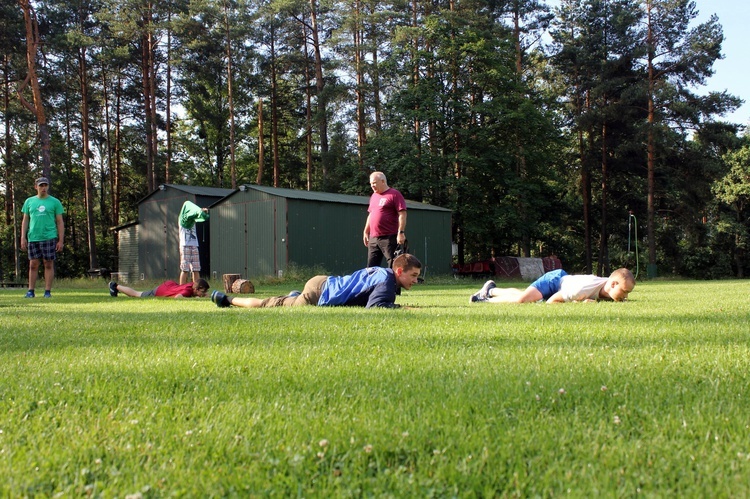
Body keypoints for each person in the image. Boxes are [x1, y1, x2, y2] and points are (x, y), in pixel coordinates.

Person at [210, 253, 422, 309]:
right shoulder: (386, 282)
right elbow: (375, 307)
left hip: (323, 282)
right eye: (412, 276)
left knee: (290, 298)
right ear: (399, 270)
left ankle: (294, 296)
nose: (415, 280)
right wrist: (406, 309)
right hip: (319, 293)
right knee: (269, 304)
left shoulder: (383, 274)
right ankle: (227, 300)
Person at [469, 268, 635, 304]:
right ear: (612, 284)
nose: (625, 297)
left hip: (564, 282)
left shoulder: (610, 288)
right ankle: (483, 299)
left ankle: (491, 289)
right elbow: (552, 301)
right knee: (522, 300)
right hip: (554, 282)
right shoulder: (582, 290)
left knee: (525, 295)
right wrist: (579, 305)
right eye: (624, 292)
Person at [20, 177, 66, 298]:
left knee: (48, 263)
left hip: (49, 236)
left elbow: (60, 222)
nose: (43, 188)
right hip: (33, 237)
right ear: (36, 187)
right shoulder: (29, 201)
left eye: (45, 185)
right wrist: (22, 237)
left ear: (48, 187)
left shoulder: (55, 202)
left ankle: (47, 291)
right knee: (33, 264)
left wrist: (60, 240)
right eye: (41, 185)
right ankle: (30, 291)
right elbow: (25, 220)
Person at [363, 171, 407, 268]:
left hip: (389, 237)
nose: (372, 186)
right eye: (370, 183)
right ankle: (373, 284)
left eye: (374, 183)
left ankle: (392, 283)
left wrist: (401, 232)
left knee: (393, 265)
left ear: (382, 181)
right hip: (374, 238)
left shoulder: (394, 194)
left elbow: (402, 214)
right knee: (371, 268)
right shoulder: (373, 196)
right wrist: (366, 232)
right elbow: (371, 214)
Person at [179, 200, 210, 284]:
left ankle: (197, 290)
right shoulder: (183, 218)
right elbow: (190, 215)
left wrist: (203, 212)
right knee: (185, 269)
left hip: (195, 245)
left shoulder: (193, 220)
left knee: (196, 269)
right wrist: (199, 211)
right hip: (185, 245)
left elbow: (204, 217)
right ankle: (181, 290)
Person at [109, 278, 210, 298]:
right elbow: (178, 297)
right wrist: (195, 299)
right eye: (203, 292)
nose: (203, 293)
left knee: (138, 293)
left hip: (169, 285)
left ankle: (117, 287)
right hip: (161, 291)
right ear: (196, 290)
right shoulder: (188, 291)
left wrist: (205, 296)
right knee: (137, 294)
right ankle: (115, 286)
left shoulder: (193, 285)